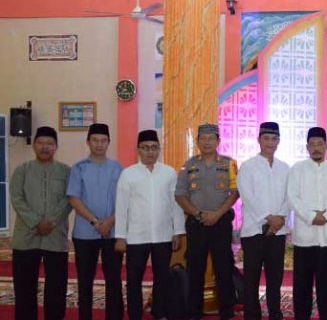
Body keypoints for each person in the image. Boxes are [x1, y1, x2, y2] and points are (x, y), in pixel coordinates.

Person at [115, 130, 186, 320]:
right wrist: (121, 236)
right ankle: (135, 315)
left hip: (163, 235)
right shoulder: (128, 174)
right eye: (146, 148)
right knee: (133, 280)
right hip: (136, 236)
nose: (150, 152)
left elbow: (175, 204)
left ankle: (159, 312)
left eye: (154, 148)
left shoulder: (169, 172)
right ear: (138, 149)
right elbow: (121, 208)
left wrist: (178, 231)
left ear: (159, 149)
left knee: (162, 278)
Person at [174, 123, 238, 320]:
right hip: (196, 223)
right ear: (197, 141)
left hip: (221, 223)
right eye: (203, 138)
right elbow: (180, 195)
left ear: (218, 141)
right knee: (195, 268)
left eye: (211, 138)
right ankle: (193, 312)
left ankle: (227, 312)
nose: (207, 142)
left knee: (224, 268)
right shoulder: (188, 165)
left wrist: (218, 213)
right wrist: (197, 213)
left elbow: (235, 193)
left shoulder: (229, 164)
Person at [10, 126, 71, 320]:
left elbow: (69, 199)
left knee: (56, 288)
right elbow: (17, 199)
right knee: (24, 288)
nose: (45, 147)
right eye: (41, 143)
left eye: (50, 144)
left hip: (55, 237)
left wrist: (51, 222)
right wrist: (36, 222)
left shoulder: (66, 171)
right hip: (25, 238)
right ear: (34, 145)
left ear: (56, 147)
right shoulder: (22, 170)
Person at [67, 123, 124, 320]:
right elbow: (73, 198)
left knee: (113, 280)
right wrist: (95, 222)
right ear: (88, 142)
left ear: (108, 142)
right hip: (84, 233)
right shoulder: (79, 168)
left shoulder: (117, 168)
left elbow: (126, 200)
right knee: (85, 281)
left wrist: (110, 221)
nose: (99, 144)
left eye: (103, 141)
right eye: (95, 140)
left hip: (112, 231)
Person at [237, 122, 290, 320]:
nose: (270, 142)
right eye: (266, 138)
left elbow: (289, 196)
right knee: (251, 278)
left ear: (278, 141)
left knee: (275, 278)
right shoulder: (248, 166)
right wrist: (268, 218)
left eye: (274, 138)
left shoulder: (285, 168)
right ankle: (252, 314)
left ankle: (275, 313)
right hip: (253, 231)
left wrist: (279, 220)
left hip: (278, 232)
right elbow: (247, 196)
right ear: (259, 140)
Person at [287, 127, 327, 320]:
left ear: (326, 146)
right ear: (307, 147)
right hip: (305, 238)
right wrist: (311, 216)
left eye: (320, 144)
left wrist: (326, 216)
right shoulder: (297, 169)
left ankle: (325, 315)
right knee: (302, 285)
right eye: (312, 144)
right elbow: (292, 197)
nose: (316, 148)